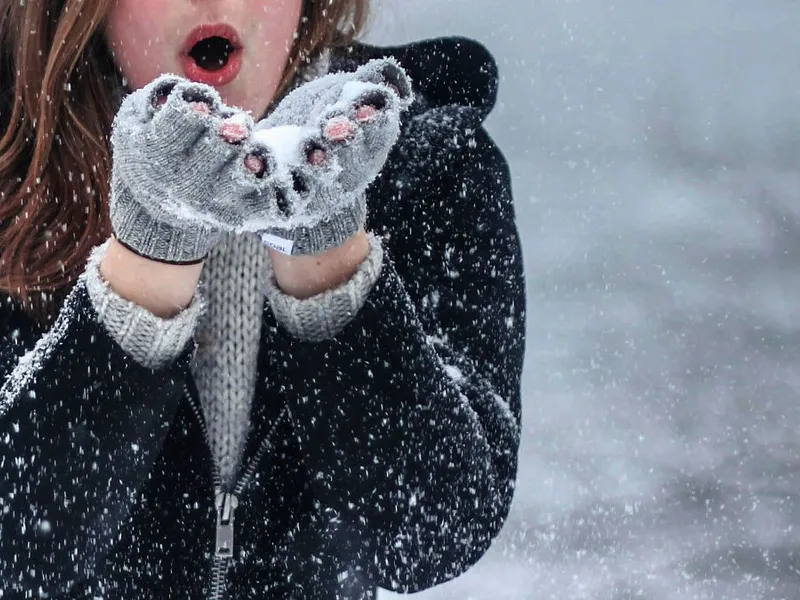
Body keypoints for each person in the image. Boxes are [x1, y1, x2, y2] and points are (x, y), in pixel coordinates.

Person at [0, 0, 526, 598]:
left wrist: (326, 253)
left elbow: (434, 535)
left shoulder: (431, 165)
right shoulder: (14, 164)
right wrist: (149, 258)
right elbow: (18, 548)